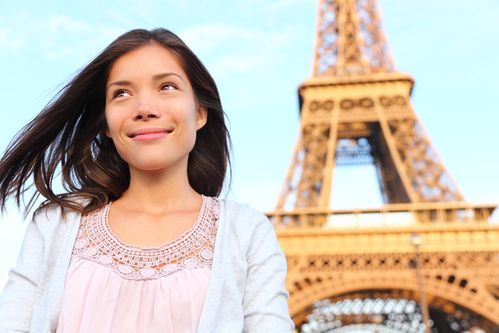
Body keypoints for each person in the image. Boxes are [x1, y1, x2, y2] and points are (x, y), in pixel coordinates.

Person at [0, 28, 294, 333]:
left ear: (200, 113)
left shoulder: (246, 232)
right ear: (106, 124)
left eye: (167, 86)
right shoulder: (56, 224)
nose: (144, 109)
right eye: (121, 93)